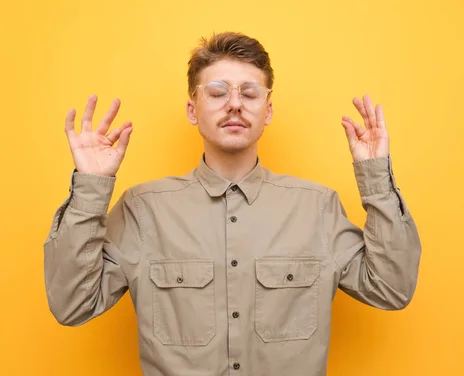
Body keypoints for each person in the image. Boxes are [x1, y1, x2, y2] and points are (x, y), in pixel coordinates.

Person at [44, 31, 421, 376]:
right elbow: (73, 304)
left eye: (250, 93)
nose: (235, 105)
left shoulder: (317, 208)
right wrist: (92, 186)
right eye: (218, 91)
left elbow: (390, 289)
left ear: (267, 111)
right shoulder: (144, 210)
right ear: (193, 109)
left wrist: (374, 175)